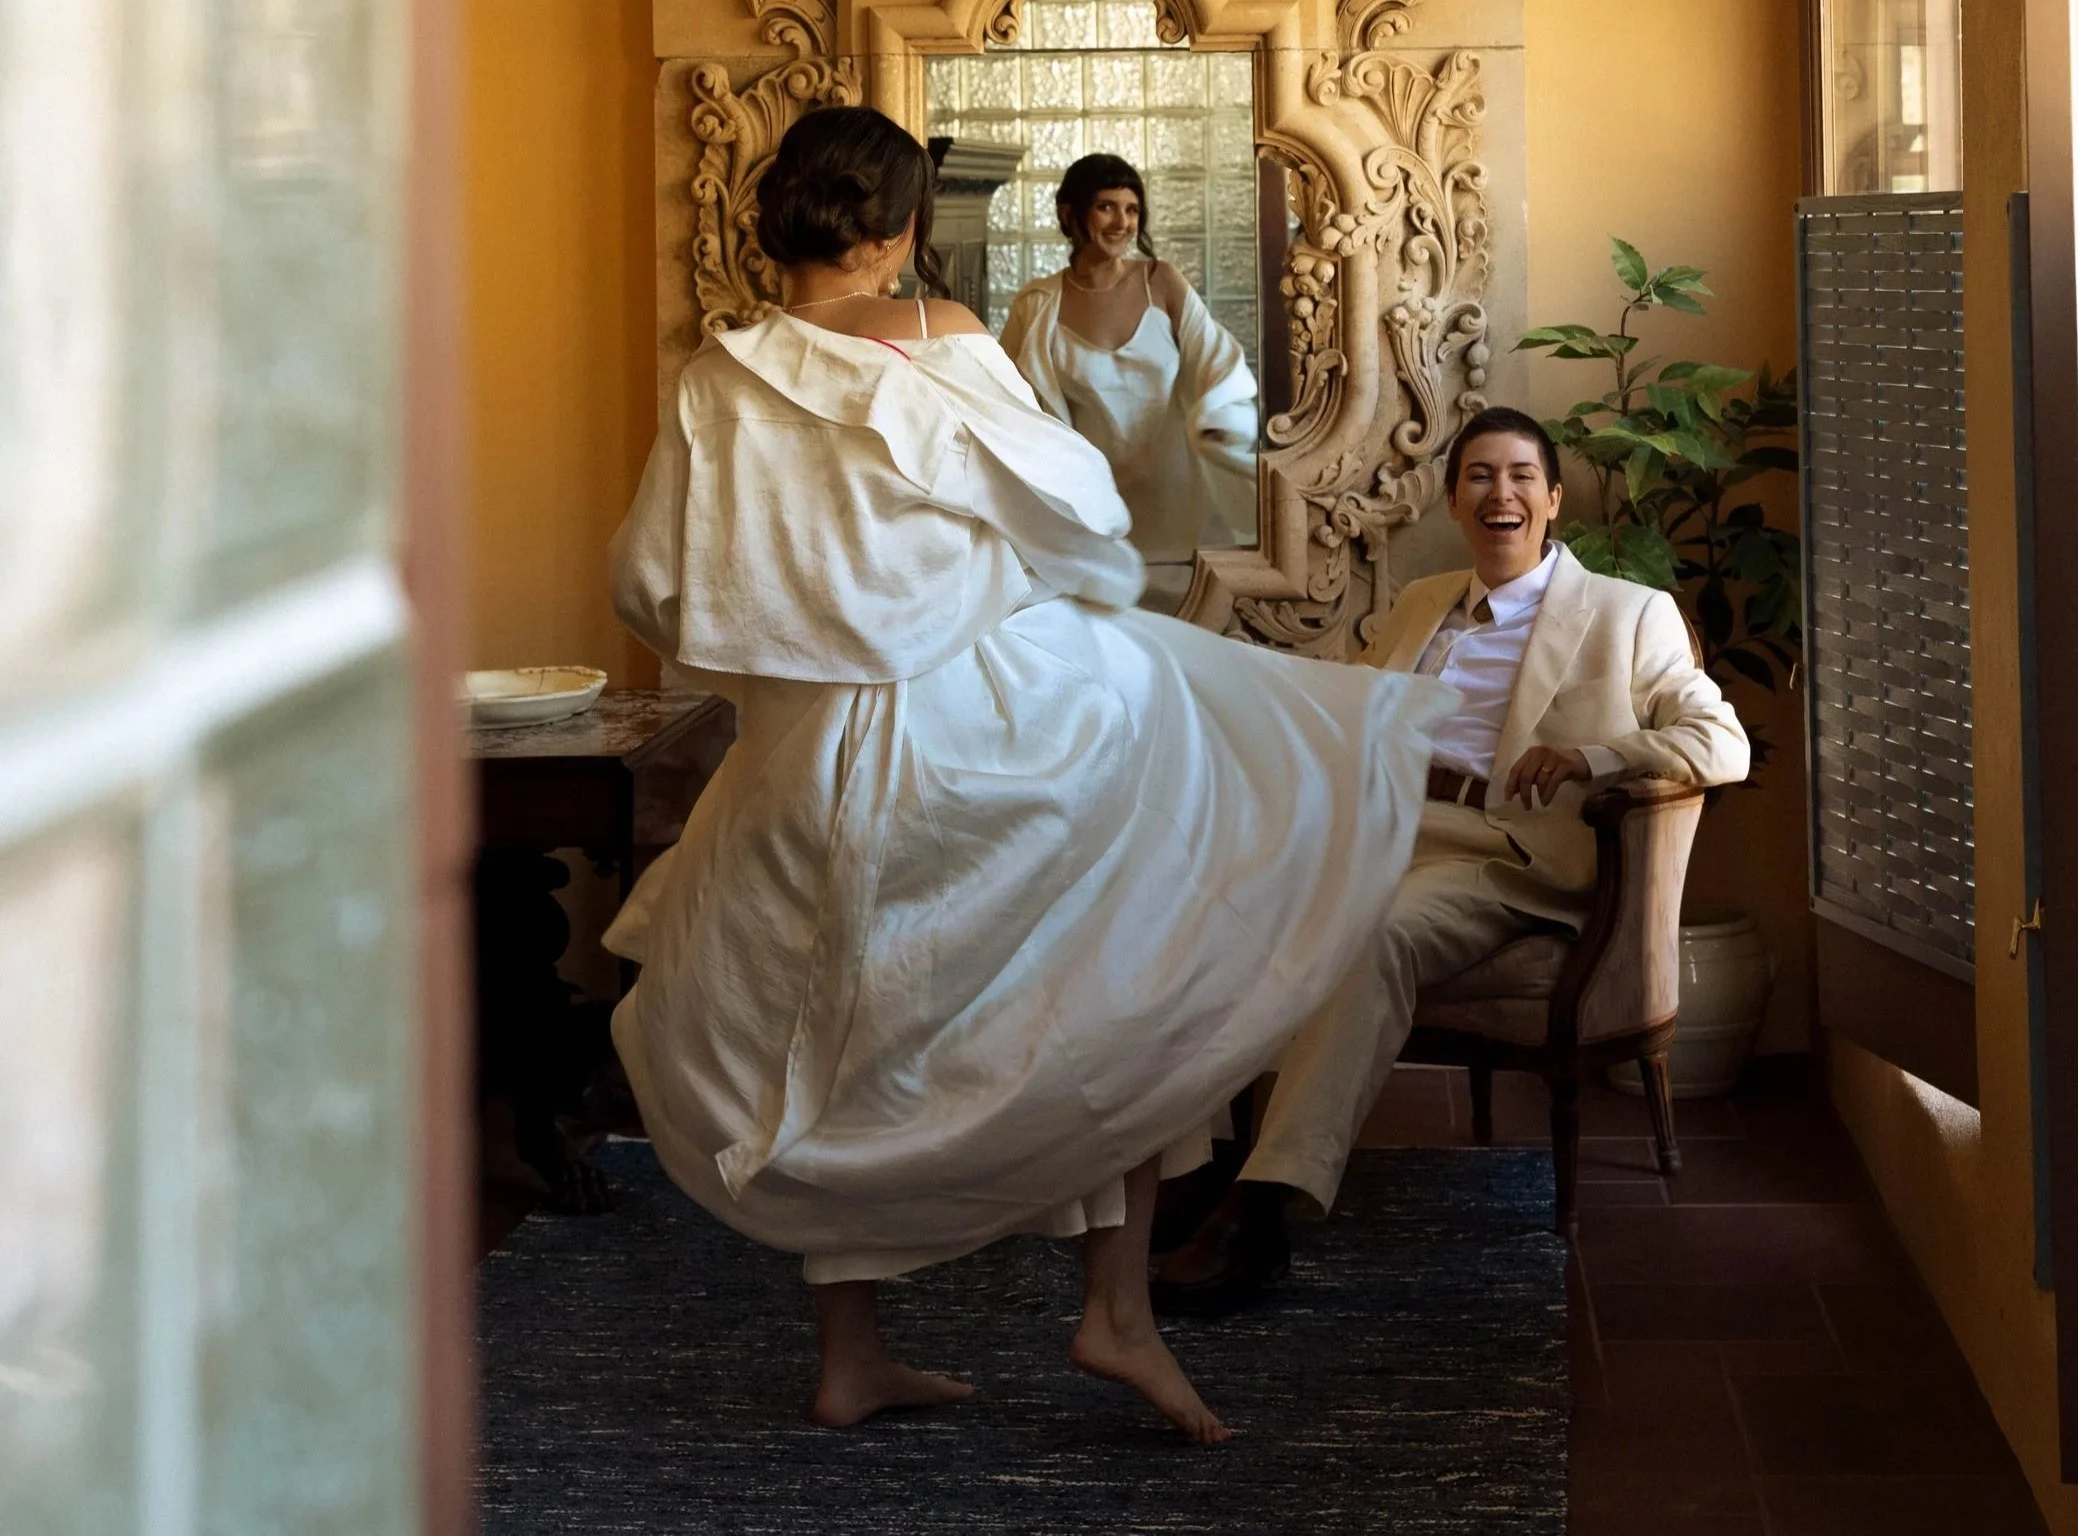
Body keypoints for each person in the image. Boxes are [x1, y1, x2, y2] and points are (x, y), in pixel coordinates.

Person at [601, 106, 1453, 1442]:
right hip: (987, 729)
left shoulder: (719, 379)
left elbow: (653, 581)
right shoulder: (943, 342)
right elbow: (1078, 510)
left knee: (835, 1030)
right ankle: (1113, 1310)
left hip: (811, 757)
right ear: (897, 226)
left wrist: (801, 645)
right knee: (1125, 974)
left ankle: (853, 1351)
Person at [1153, 407, 1752, 1314]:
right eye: (1478, 476)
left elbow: (1721, 741)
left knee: (1375, 937)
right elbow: (1340, 708)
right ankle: (1189, 1171)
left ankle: (1261, 1210)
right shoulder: (1421, 603)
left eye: (1519, 476)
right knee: (1201, 909)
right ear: (1453, 499)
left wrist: (1595, 757)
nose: (1499, 493)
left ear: (1552, 500)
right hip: (1381, 834)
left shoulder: (1630, 614)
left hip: (1504, 857)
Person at [1000, 153, 1259, 613]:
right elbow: (1005, 400)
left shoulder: (1160, 282)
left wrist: (1220, 417)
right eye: (1106, 207)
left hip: (1177, 502)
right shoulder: (1038, 304)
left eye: (1132, 209)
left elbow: (1215, 359)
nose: (1122, 222)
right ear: (1069, 213)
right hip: (1091, 506)